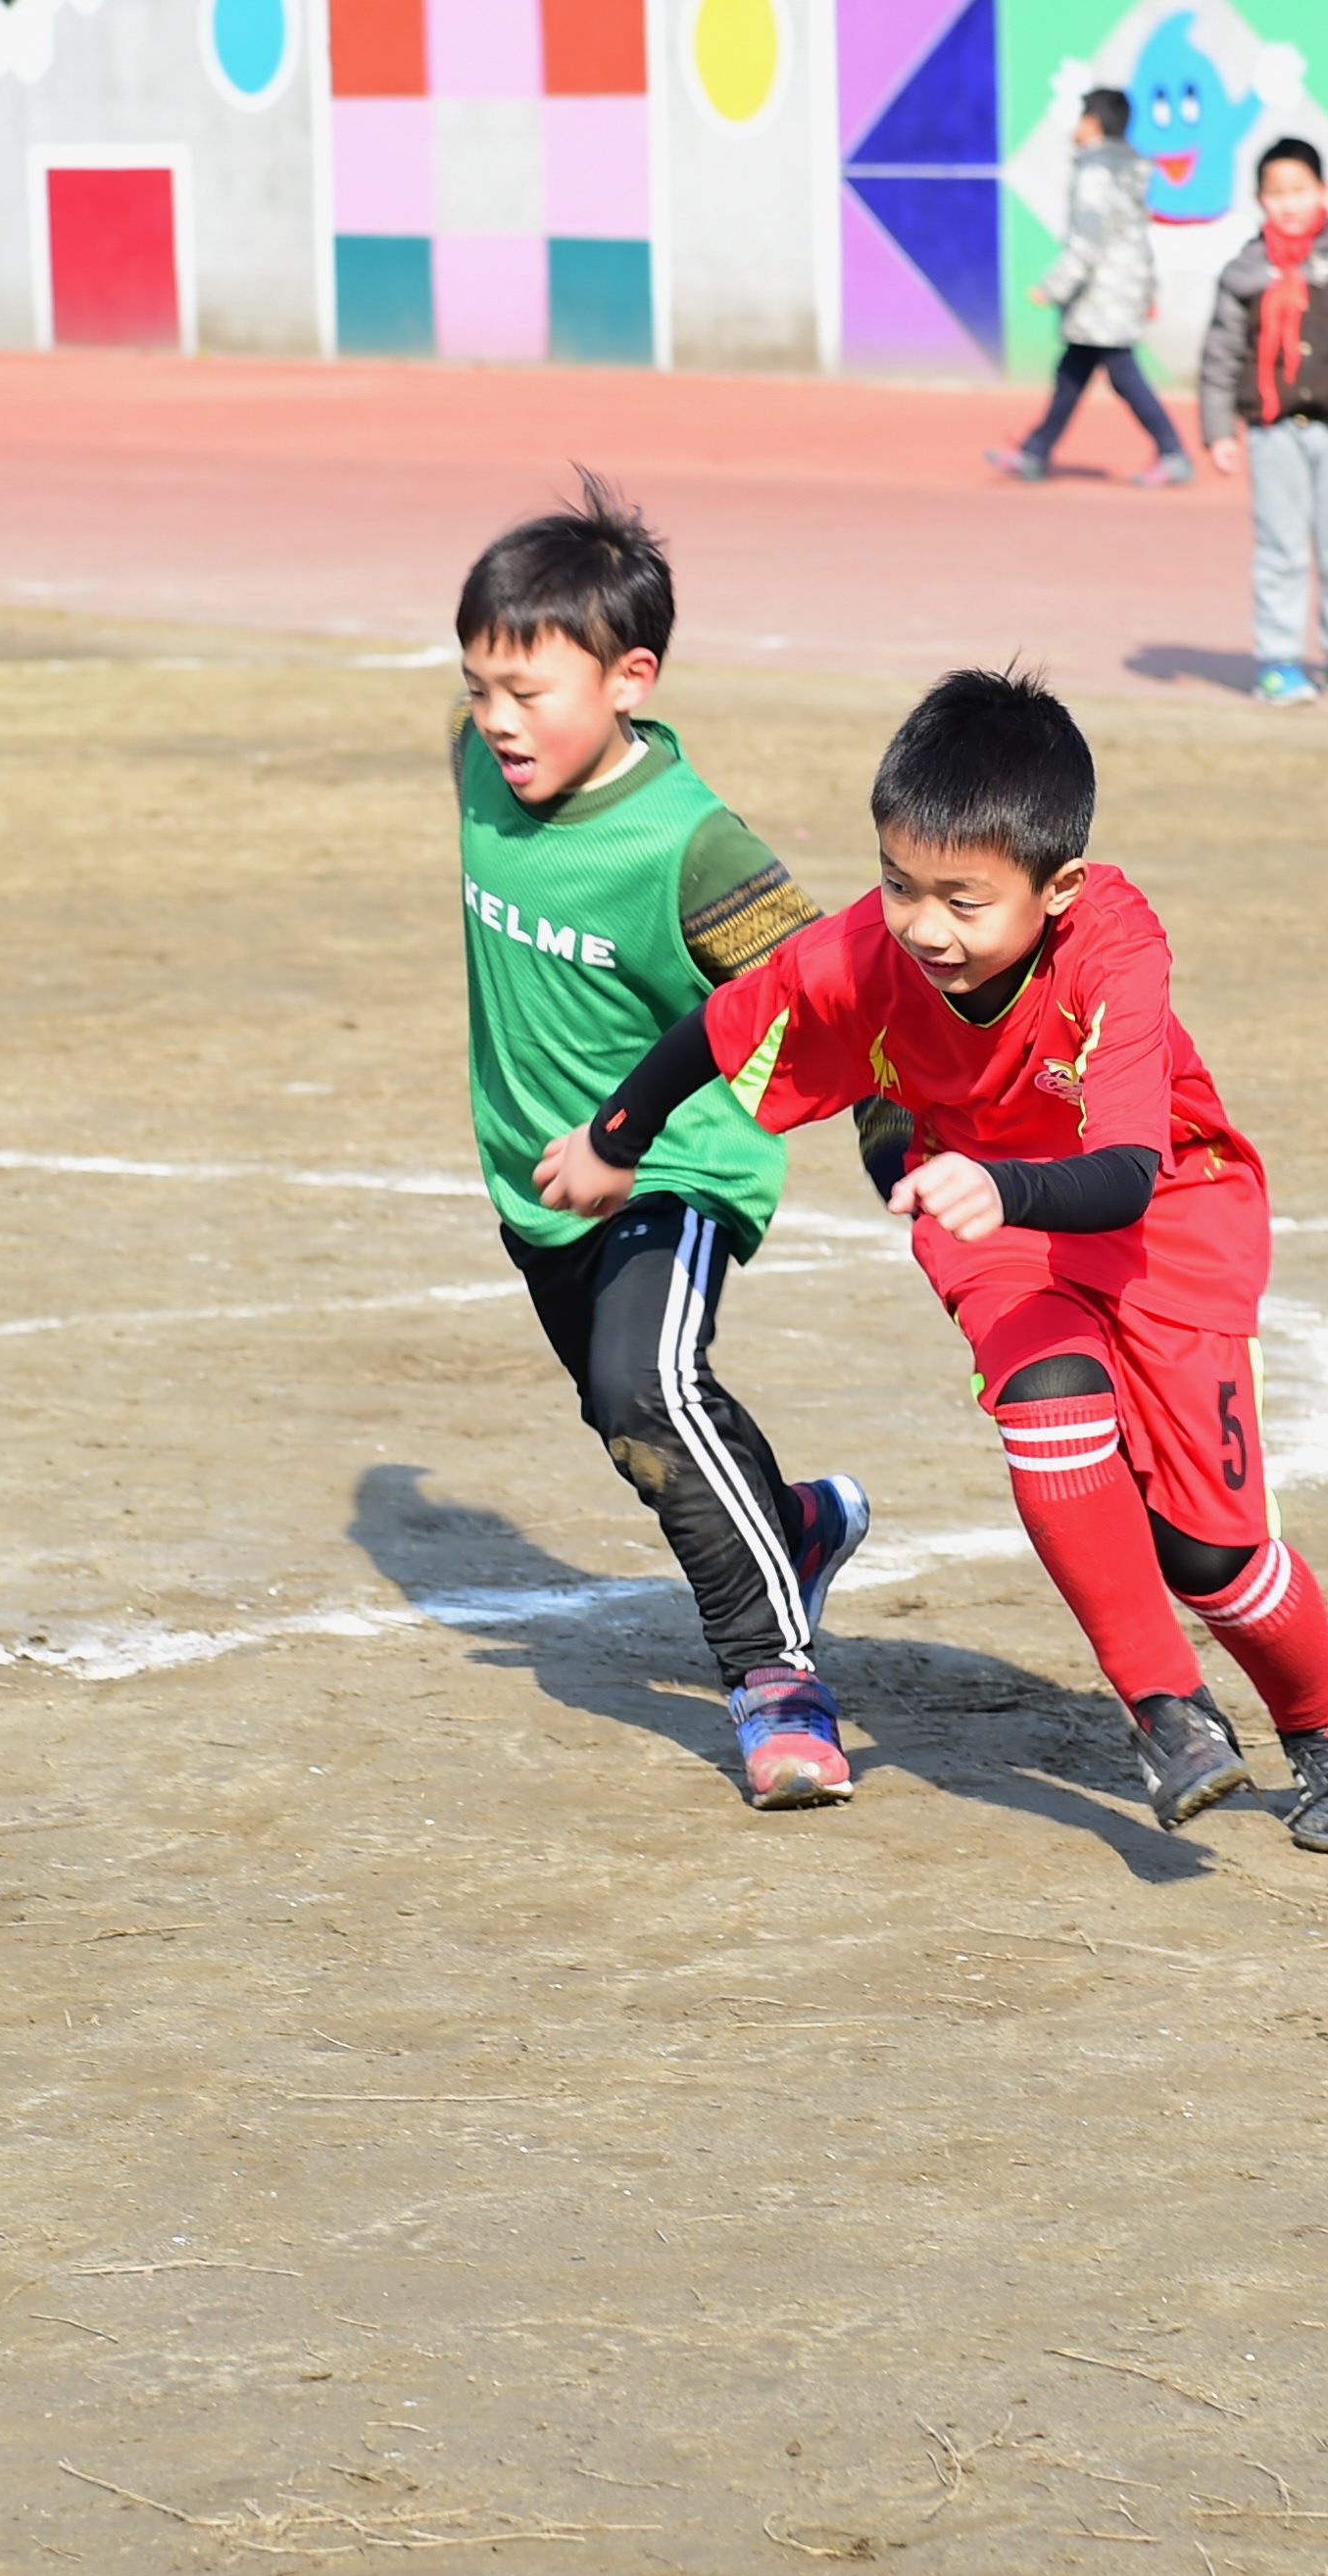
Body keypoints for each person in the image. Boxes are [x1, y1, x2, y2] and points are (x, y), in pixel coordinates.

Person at [539, 668, 1328, 1854]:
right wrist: (610, 1139)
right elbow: (720, 1026)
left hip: (1165, 1220)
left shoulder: (1117, 948)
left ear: (1058, 889)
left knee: (1209, 1552)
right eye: (899, 883)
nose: (924, 925)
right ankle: (1165, 1708)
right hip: (986, 1217)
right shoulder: (860, 950)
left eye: (962, 898)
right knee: (1047, 1405)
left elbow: (1130, 1171)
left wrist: (1002, 1184)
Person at [454, 477, 873, 1812]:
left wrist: (905, 1146)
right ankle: (793, 1524)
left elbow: (832, 989)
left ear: (633, 678)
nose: (499, 722)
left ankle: (777, 1683)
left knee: (647, 1386)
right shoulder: (481, 762)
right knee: (636, 1426)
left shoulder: (691, 845)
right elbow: (486, 710)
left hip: (675, 1165)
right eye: (478, 688)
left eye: (532, 691)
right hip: (536, 1185)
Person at [1198, 136, 1328, 708]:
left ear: (1323, 192)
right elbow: (1220, 357)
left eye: (1299, 191)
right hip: (1274, 433)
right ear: (1259, 200)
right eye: (1276, 193)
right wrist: (1219, 431)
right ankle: (1278, 662)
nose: (1288, 204)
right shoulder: (1245, 271)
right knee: (1281, 548)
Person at [986, 88, 1190, 490]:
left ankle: (1172, 452)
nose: (1076, 127)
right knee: (1072, 372)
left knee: (1122, 374)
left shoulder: (1096, 172)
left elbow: (1087, 239)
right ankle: (1035, 452)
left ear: (1093, 122)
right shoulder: (1130, 168)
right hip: (1119, 290)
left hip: (1103, 295)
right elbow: (1137, 237)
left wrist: (1054, 287)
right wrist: (1146, 291)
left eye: (1081, 118)